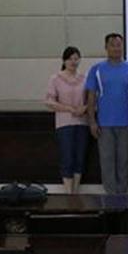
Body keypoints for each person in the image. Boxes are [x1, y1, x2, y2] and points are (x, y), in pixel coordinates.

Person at [85, 33, 128, 195]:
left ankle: (122, 197)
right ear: (106, 47)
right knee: (107, 161)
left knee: (124, 162)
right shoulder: (96, 70)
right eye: (113, 45)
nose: (116, 48)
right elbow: (91, 97)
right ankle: (110, 197)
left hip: (126, 123)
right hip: (104, 124)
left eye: (119, 45)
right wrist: (92, 122)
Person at [45, 46, 89, 194]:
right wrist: (69, 108)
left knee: (80, 157)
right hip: (64, 123)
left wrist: (85, 107)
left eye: (76, 59)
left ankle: (75, 191)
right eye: (70, 59)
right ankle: (68, 192)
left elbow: (91, 99)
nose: (73, 62)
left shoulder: (84, 79)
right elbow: (49, 101)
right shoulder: (55, 79)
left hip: (82, 123)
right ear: (64, 60)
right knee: (67, 157)